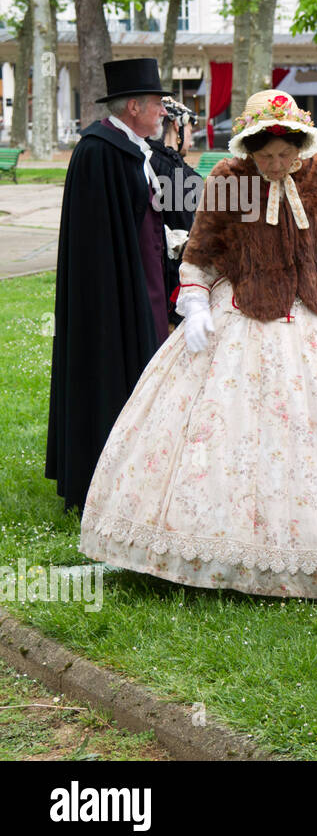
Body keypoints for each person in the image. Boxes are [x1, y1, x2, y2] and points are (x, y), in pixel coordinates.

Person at [78, 90, 317, 598]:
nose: (277, 164)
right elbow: (199, 253)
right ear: (249, 149)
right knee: (229, 432)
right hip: (244, 314)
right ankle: (216, 546)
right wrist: (195, 307)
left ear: (301, 146)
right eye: (266, 156)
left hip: (313, 318)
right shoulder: (228, 180)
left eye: (286, 155)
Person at [46, 58, 170, 512]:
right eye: (157, 103)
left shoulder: (132, 148)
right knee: (112, 374)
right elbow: (99, 244)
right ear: (134, 106)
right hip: (113, 295)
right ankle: (104, 478)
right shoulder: (100, 152)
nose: (163, 111)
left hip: (142, 282)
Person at [148, 96, 204, 327]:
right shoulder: (171, 169)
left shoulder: (148, 158)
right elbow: (184, 223)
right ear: (175, 125)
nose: (191, 139)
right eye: (190, 128)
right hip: (172, 273)